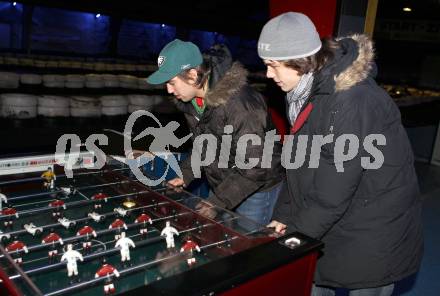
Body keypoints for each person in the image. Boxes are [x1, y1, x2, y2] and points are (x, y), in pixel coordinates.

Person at [258, 12, 423, 296]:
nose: (268, 75)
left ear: (301, 61)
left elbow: (334, 189)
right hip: (337, 221)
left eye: (274, 65)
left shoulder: (352, 102)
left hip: (373, 233)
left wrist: (294, 234)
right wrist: (284, 216)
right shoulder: (305, 94)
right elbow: (300, 166)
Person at [146, 39, 284, 225]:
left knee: (246, 244)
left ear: (193, 75)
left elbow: (256, 166)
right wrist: (185, 174)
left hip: (256, 187)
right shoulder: (192, 103)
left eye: (171, 82)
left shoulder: (241, 104)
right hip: (225, 181)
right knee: (221, 237)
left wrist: (216, 202)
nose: (169, 90)